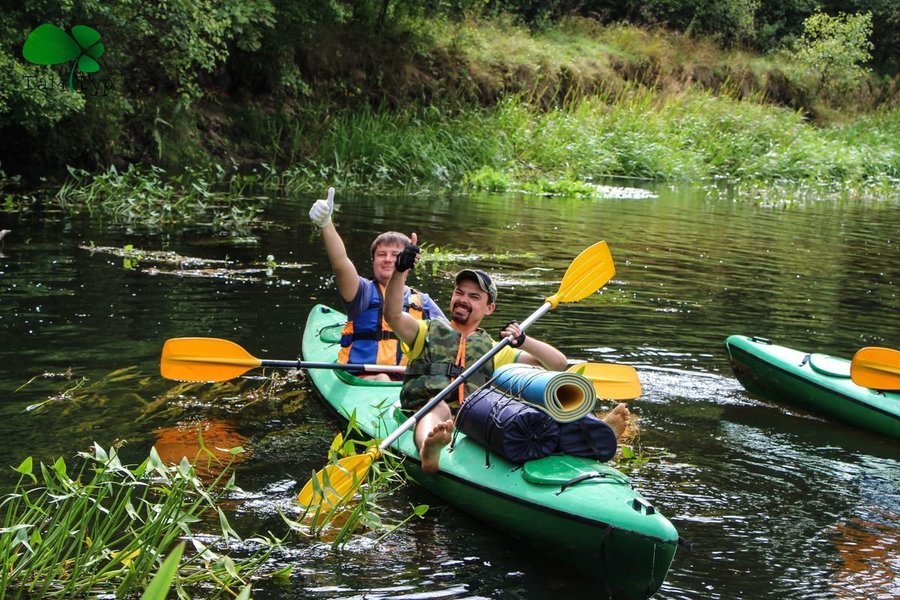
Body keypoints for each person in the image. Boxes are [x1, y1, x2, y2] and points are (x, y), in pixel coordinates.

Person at [383, 239, 631, 474]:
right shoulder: (425, 330)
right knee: (437, 407)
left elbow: (557, 364)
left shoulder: (495, 348)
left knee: (530, 420)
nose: (463, 300)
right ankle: (429, 446)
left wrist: (524, 340)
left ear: (489, 308)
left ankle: (595, 434)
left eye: (474, 296)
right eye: (459, 292)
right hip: (427, 411)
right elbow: (393, 314)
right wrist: (401, 270)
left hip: (471, 419)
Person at [309, 188, 445, 380]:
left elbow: (452, 338)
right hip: (362, 377)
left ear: (411, 260)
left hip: (406, 379)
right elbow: (340, 264)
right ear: (373, 261)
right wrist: (326, 224)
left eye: (396, 255)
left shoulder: (423, 301)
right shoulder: (362, 291)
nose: (388, 259)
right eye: (382, 254)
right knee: (382, 377)